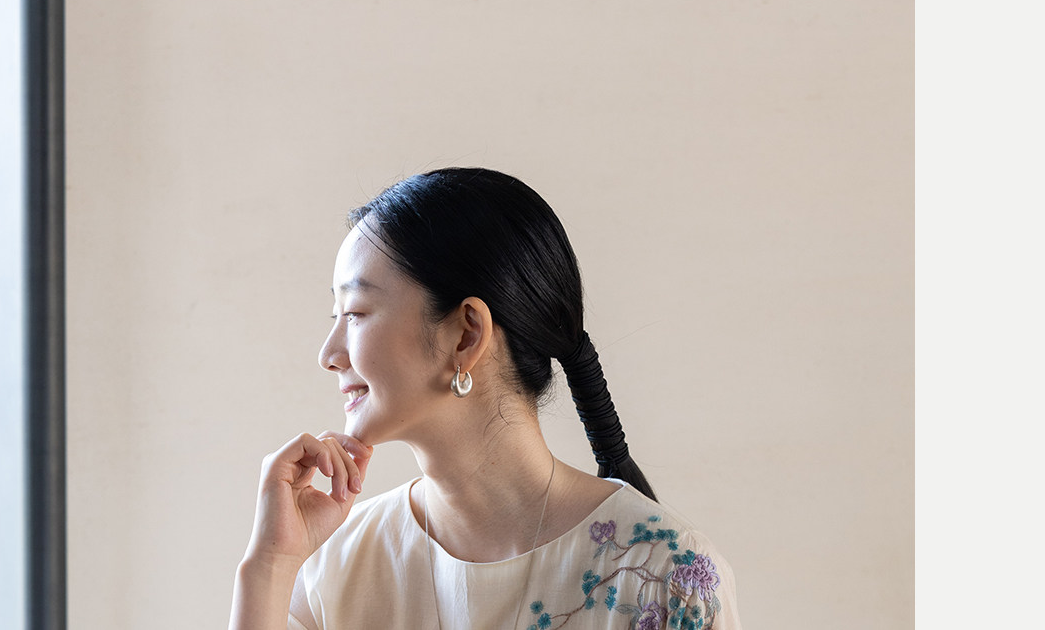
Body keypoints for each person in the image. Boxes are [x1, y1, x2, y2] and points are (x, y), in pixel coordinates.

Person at [229, 168, 742, 630]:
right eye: (335, 317)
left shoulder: (664, 574)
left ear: (466, 335)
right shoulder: (336, 564)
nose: (328, 354)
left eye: (356, 313)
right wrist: (269, 567)